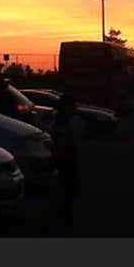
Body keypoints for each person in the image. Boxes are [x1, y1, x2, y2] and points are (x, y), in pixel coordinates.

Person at [50, 93, 84, 231]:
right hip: (66, 157)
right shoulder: (68, 121)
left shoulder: (59, 120)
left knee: (63, 187)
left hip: (61, 156)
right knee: (67, 187)